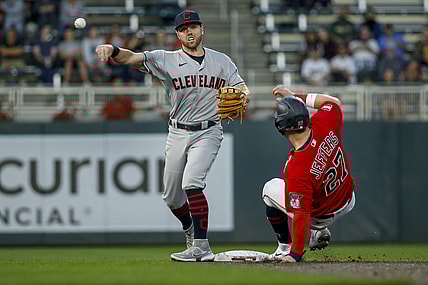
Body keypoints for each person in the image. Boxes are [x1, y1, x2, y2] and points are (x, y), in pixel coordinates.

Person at [95, 10, 249, 262]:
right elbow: (132, 58)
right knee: (172, 197)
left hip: (209, 130)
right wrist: (112, 49)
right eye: (184, 28)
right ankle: (190, 230)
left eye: (194, 27)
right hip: (178, 131)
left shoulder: (222, 61)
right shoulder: (165, 59)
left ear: (202, 30)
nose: (189, 31)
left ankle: (201, 245)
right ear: (177, 34)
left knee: (192, 183)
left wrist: (245, 95)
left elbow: (241, 87)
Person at [261, 86, 356, 262]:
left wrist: (295, 254)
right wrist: (295, 97)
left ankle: (285, 248)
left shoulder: (297, 167)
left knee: (269, 189)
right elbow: (333, 102)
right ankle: (316, 233)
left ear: (282, 127)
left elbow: (301, 215)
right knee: (310, 189)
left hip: (321, 216)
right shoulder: (324, 122)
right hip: (348, 198)